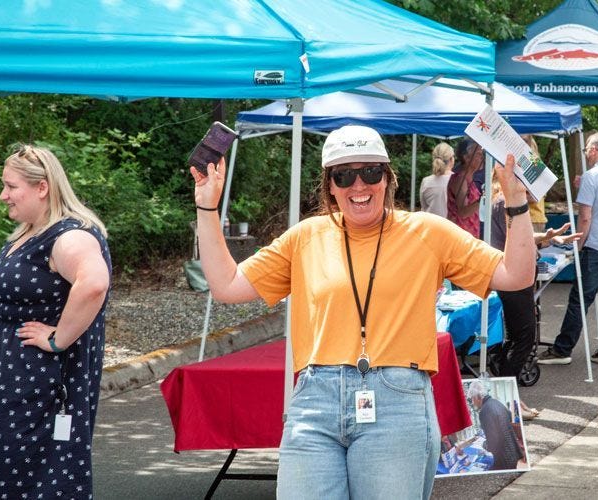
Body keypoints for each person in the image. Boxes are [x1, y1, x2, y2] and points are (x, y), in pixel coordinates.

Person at [190, 124, 536, 499]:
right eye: (344, 175)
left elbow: (515, 275)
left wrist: (516, 204)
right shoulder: (306, 236)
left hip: (397, 399)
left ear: (387, 178)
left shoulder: (426, 231)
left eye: (371, 172)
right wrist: (208, 206)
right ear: (330, 185)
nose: (359, 186)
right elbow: (226, 285)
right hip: (314, 400)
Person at [0, 145, 112, 499]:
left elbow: (94, 284)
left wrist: (58, 339)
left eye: (11, 187)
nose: (3, 196)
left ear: (42, 187)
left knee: (31, 476)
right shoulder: (30, 231)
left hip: (36, 385)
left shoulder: (69, 236)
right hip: (6, 380)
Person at [490, 174, 581, 419]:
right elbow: (516, 242)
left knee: (518, 339)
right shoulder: (504, 203)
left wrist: (549, 238)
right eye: (534, 188)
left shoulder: (507, 202)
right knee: (524, 339)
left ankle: (509, 398)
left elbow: (521, 239)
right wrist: (545, 239)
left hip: (515, 275)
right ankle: (506, 399)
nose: (537, 196)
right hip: (512, 277)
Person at [537, 131, 598, 367]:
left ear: (594, 150)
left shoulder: (592, 177)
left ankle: (563, 349)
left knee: (579, 299)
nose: (586, 154)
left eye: (586, 150)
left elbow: (586, 218)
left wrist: (577, 246)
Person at [466, 380, 525, 471]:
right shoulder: (496, 402)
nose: (473, 403)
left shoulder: (485, 411)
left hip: (504, 457)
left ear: (478, 397)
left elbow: (493, 440)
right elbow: (509, 416)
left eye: (472, 399)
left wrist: (484, 445)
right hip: (513, 451)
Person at [447, 139, 484, 238]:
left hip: (468, 236)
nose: (482, 157)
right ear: (466, 157)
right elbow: (462, 212)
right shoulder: (461, 180)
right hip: (461, 238)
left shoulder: (469, 178)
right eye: (478, 154)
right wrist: (483, 198)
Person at [419, 142, 454, 218]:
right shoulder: (458, 180)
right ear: (451, 159)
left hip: (430, 226)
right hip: (452, 227)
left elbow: (424, 208)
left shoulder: (426, 181)